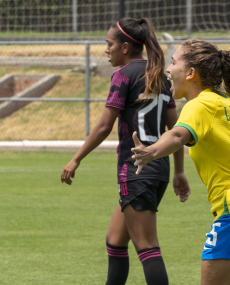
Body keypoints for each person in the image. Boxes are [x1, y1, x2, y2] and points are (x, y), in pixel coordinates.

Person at [131, 39, 230, 285]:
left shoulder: (199, 105)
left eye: (173, 63)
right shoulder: (224, 102)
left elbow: (177, 134)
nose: (168, 70)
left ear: (191, 73)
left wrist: (151, 151)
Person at [60, 17, 190, 285]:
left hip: (136, 169)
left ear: (126, 48)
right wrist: (178, 172)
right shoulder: (161, 77)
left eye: (109, 44)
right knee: (115, 240)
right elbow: (176, 129)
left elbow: (103, 127)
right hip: (159, 169)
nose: (106, 49)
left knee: (147, 246)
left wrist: (76, 159)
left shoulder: (123, 75)